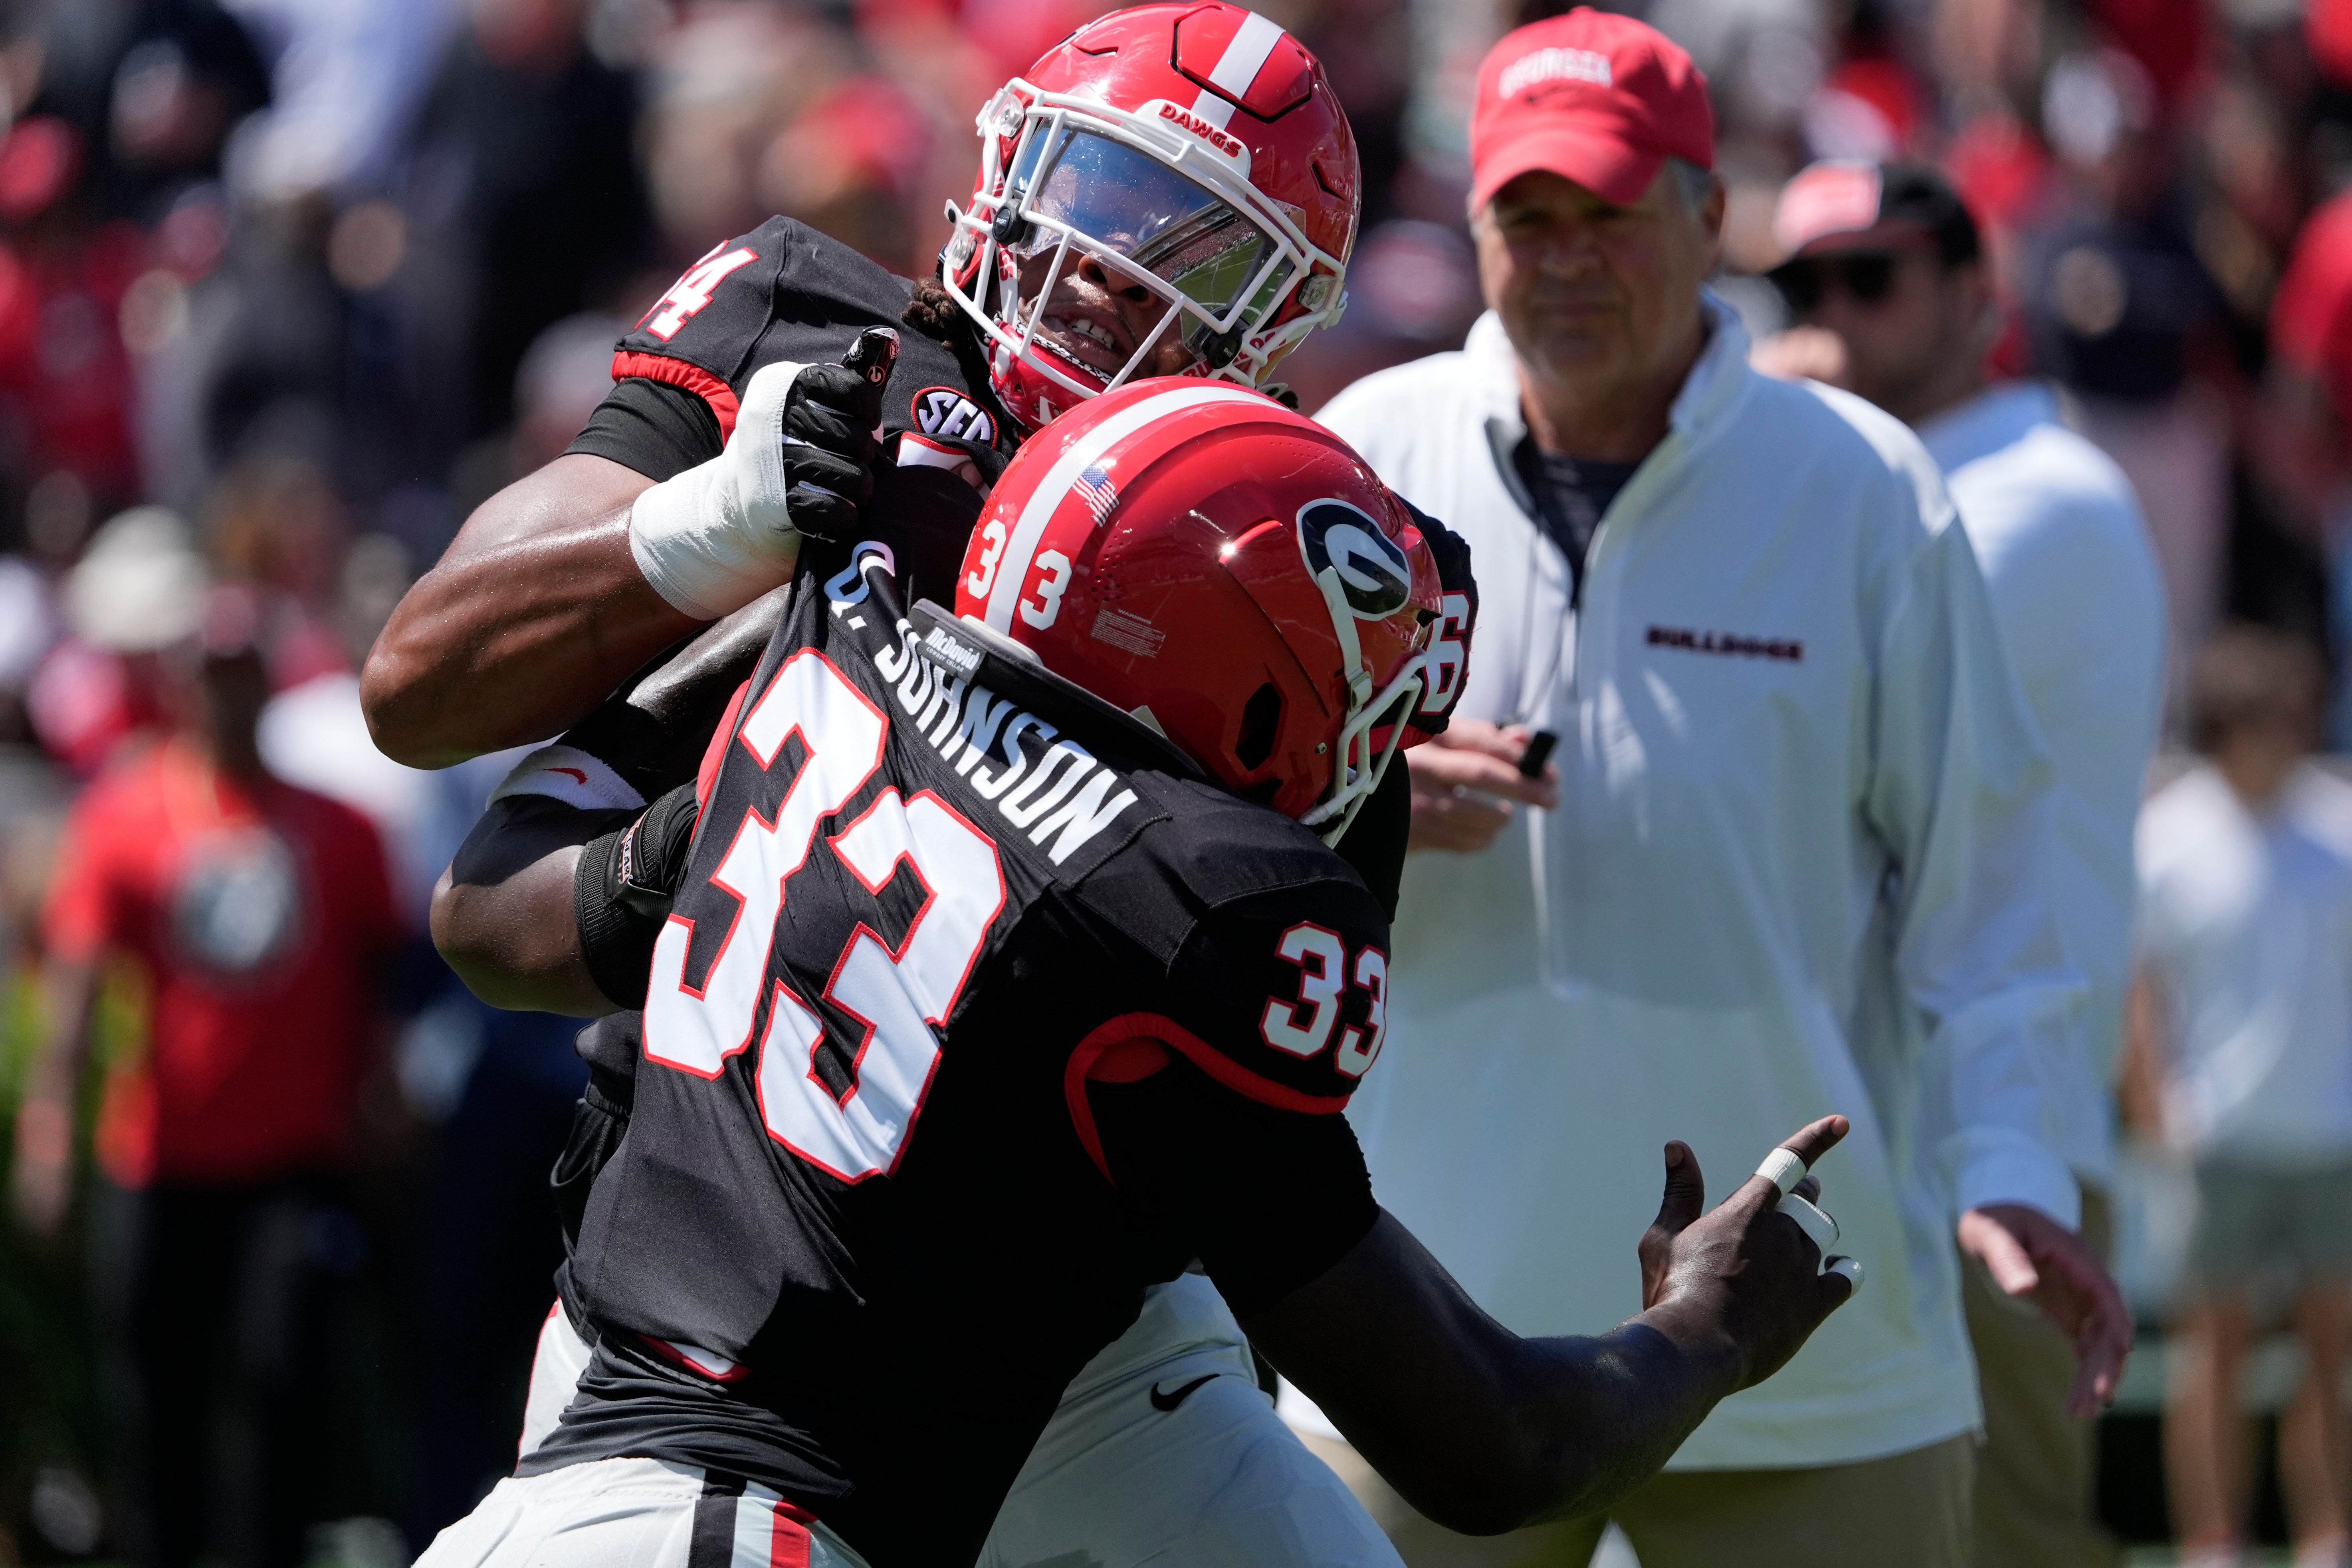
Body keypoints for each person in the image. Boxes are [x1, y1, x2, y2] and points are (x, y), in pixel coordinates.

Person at [415, 379, 1859, 1568]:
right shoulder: (1187, 912)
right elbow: (1495, 1444)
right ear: (1239, 694)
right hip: (736, 1526)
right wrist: (1709, 1322)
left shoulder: (833, 656)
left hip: (610, 1475)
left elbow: (496, 919)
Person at [385, 11, 1466, 1565]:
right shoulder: (824, 350)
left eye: (1202, 248)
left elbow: (1268, 1078)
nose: (1114, 265)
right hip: (729, 1259)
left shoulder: (1282, 553)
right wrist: (701, 530)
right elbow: (424, 696)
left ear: (1277, 316)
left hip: (1089, 1297)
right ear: (1010, 161)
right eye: (1103, 192)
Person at [1284, 12, 2134, 1567]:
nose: (1566, 258)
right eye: (1525, 219)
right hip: (1415, 1329)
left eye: (1610, 212)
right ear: (1471, 228)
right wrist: (1372, 792)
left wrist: (2012, 1162)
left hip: (1814, 1332)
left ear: (1708, 217)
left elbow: (1989, 887)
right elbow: (1226, 827)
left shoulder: (1864, 484)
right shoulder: (1357, 457)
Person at [1754, 157, 2167, 1568]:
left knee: (2007, 1545)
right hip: (1865, 1118)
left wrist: (1757, 411)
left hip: (2006, 1131)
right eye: (1797, 285)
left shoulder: (2047, 494)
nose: (1825, 316)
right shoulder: (1870, 476)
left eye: (1869, 278)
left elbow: (1783, 683)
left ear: (1977, 296)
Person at [10, 586, 400, 1568]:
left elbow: (374, 983)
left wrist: (384, 1104)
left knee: (280, 1385)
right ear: (185, 688)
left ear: (267, 682)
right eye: (210, 677)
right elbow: (77, 988)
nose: (227, 697)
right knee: (160, 1404)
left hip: (291, 1161)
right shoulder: (125, 817)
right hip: (162, 1161)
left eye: (242, 674)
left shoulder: (339, 829)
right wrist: (52, 1129)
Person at [2128, 628, 2352, 1568]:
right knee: (2210, 1354)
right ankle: (2212, 1542)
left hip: (2333, 1134)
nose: (2287, 738)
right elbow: (2141, 992)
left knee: (2330, 1358)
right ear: (2227, 730)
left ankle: (2326, 1538)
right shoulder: (2169, 838)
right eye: (2267, 722)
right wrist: (2158, 1110)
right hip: (2215, 1139)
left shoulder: (2341, 824)